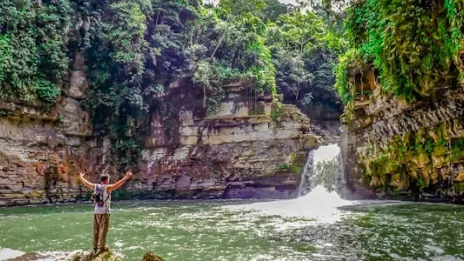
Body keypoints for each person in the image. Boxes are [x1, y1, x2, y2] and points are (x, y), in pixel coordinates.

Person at [79, 170, 133, 254]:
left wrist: (81, 177)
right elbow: (117, 185)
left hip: (96, 212)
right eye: (108, 180)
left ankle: (95, 247)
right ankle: (101, 248)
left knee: (96, 230)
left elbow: (86, 183)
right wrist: (126, 177)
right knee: (103, 230)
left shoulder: (95, 186)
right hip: (104, 212)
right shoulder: (107, 187)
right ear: (107, 180)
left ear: (101, 180)